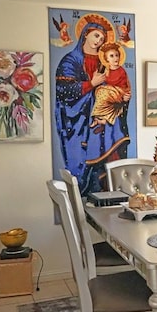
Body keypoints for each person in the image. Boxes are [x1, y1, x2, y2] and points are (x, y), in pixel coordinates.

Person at [55, 14, 130, 195]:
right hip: (79, 120)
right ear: (85, 34)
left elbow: (117, 85)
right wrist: (91, 84)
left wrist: (123, 97)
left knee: (109, 163)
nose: (99, 41)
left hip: (107, 121)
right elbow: (64, 91)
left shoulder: (105, 60)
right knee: (84, 167)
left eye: (103, 39)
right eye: (97, 36)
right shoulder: (70, 60)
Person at [89, 42, 131, 133]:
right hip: (110, 93)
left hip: (119, 93)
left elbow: (126, 87)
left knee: (103, 93)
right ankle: (100, 120)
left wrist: (125, 95)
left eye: (117, 55)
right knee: (100, 93)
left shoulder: (121, 71)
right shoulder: (106, 71)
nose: (115, 58)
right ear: (106, 59)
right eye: (112, 56)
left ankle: (101, 120)